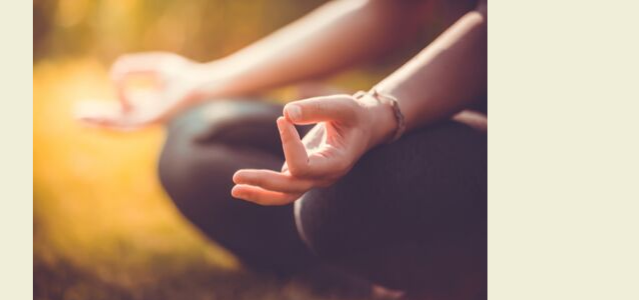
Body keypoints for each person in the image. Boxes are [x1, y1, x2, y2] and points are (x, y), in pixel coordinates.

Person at [76, 0, 487, 299]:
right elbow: (385, 10)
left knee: (330, 204)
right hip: (425, 111)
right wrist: (201, 82)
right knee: (195, 142)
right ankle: (382, 277)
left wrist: (381, 111)